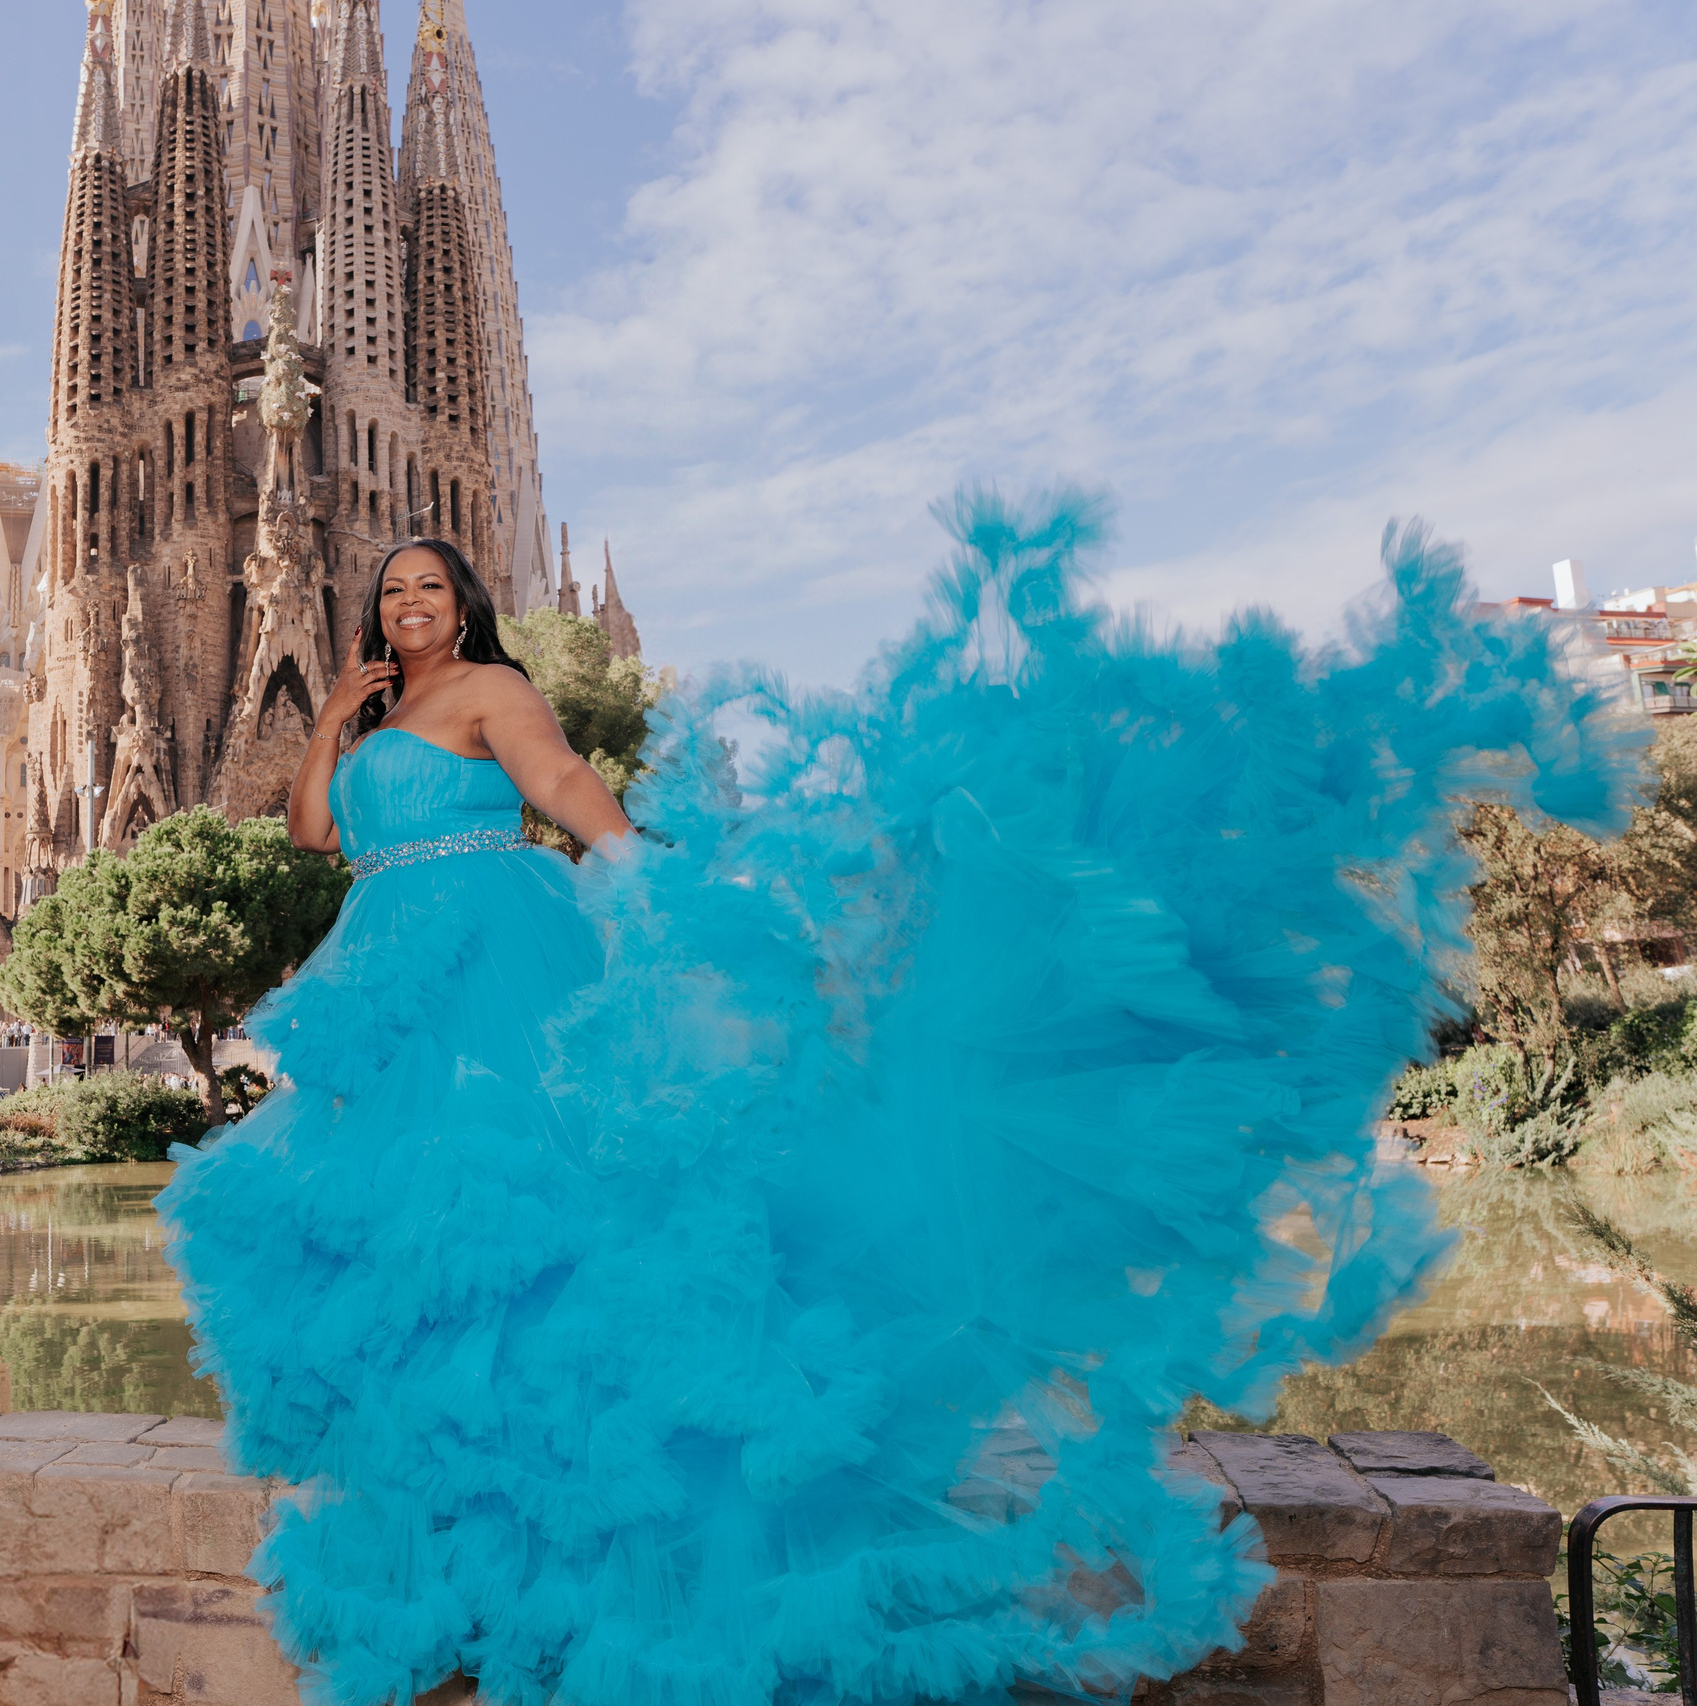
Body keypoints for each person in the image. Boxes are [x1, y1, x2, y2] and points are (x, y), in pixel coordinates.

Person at [155, 515, 1643, 1706]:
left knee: (544, 1212)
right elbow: (307, 836)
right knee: (402, 1233)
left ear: (467, 607)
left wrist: (659, 880)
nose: (411, 600)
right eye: (393, 590)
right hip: (385, 965)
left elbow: (564, 785)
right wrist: (334, 718)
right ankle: (438, 1489)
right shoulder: (375, 713)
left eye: (431, 585)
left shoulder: (490, 692)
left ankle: (593, 1508)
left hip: (493, 951)